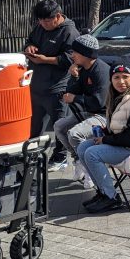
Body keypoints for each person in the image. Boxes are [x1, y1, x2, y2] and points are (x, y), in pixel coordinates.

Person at [77, 58, 130, 213]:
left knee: (92, 153)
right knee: (83, 147)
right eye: (116, 77)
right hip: (126, 144)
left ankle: (111, 198)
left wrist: (105, 139)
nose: (121, 81)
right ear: (111, 79)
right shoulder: (118, 97)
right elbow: (120, 128)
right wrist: (105, 132)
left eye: (125, 77)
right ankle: (103, 192)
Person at [23, 0, 79, 167]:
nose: (43, 24)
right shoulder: (40, 27)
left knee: (59, 124)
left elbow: (70, 58)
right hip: (36, 84)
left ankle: (60, 156)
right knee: (34, 125)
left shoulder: (70, 31)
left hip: (57, 87)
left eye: (46, 21)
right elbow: (30, 40)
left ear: (58, 16)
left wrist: (45, 60)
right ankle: (31, 154)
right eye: (40, 20)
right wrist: (29, 47)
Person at [53, 35, 110, 183]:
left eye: (75, 52)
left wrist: (75, 98)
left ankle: (90, 169)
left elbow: (99, 102)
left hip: (104, 115)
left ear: (86, 54)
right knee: (59, 126)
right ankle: (78, 160)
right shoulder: (83, 68)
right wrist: (74, 77)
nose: (72, 55)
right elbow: (74, 90)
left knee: (74, 133)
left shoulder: (101, 71)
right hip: (88, 113)